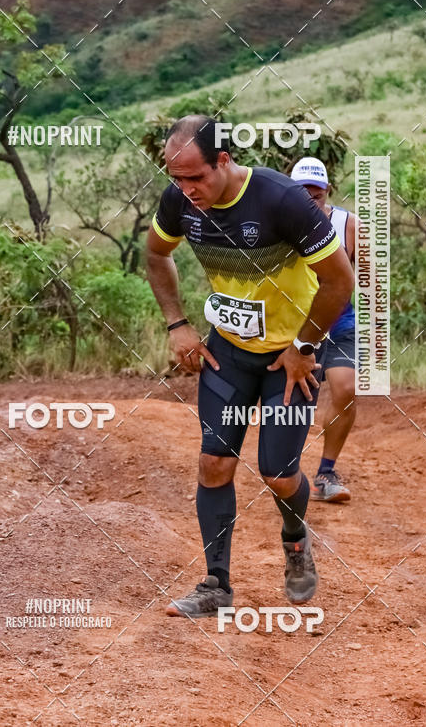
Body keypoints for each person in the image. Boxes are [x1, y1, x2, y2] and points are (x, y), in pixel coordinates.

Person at [146, 116, 354, 618]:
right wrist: (177, 324)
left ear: (224, 160)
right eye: (177, 179)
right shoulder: (180, 201)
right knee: (214, 463)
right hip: (229, 353)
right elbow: (156, 254)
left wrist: (304, 346)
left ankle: (295, 536)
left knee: (278, 474)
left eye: (196, 177)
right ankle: (215, 586)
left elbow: (339, 281)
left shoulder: (282, 200)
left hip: (291, 360)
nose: (187, 189)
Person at [290, 157, 358, 503]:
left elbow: (367, 278)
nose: (309, 199)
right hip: (297, 326)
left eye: (315, 194)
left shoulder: (349, 224)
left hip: (340, 323)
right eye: (301, 193)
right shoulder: (281, 224)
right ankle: (285, 474)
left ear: (327, 191)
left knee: (346, 389)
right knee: (296, 402)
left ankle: (326, 473)